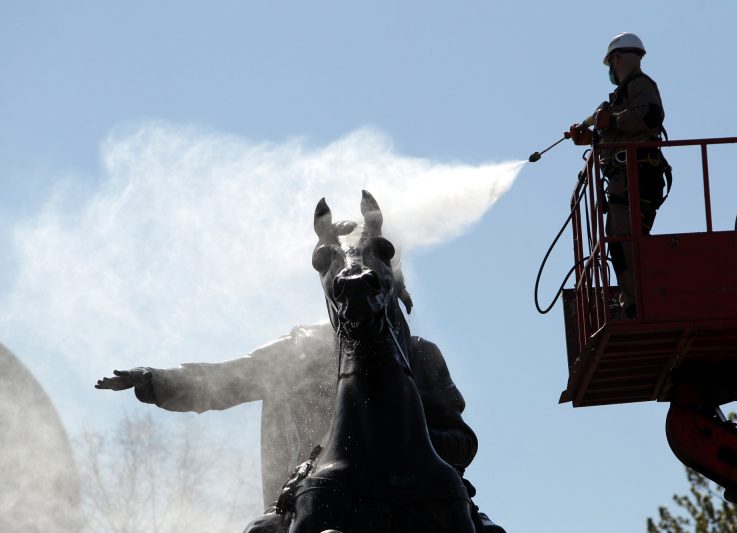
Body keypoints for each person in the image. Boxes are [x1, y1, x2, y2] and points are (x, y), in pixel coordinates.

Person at [97, 325, 505, 532]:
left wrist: (404, 439)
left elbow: (461, 444)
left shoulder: (418, 353)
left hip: (417, 500)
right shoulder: (297, 352)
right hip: (304, 498)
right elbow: (225, 380)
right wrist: (156, 379)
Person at [573, 32, 671, 319]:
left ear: (616, 59)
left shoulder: (641, 85)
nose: (611, 72)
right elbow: (621, 132)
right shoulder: (623, 94)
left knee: (625, 239)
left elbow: (651, 116)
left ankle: (638, 304)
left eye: (611, 65)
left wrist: (611, 119)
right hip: (625, 179)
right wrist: (591, 137)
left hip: (636, 175)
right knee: (619, 238)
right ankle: (634, 300)